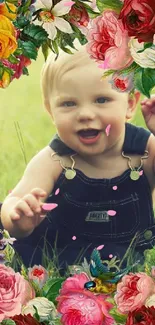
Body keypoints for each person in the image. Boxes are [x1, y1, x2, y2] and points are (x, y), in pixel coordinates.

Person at [1, 46, 155, 271]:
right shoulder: (54, 159)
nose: (85, 114)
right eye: (69, 103)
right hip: (53, 254)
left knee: (116, 264)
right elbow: (13, 201)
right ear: (50, 110)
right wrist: (17, 217)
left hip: (118, 258)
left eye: (102, 100)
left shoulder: (145, 151)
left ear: (130, 104)